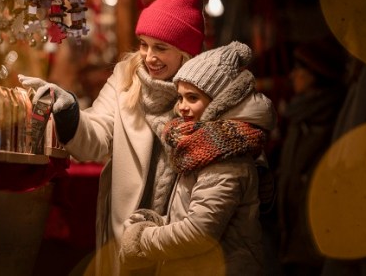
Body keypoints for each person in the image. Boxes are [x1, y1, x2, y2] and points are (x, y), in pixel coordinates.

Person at [18, 0, 272, 275]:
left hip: (181, 239)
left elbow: (237, 151)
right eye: (143, 44)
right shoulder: (125, 79)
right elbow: (96, 138)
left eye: (160, 48)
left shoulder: (207, 92)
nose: (149, 57)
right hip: (128, 231)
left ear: (185, 51)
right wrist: (70, 112)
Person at [118, 41, 276, 275]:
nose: (182, 107)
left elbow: (199, 234)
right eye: (180, 98)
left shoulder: (225, 157)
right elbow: (194, 214)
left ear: (220, 102)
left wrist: (142, 240)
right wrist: (157, 221)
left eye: (192, 98)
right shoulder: (202, 147)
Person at [276, 36, 348, 276]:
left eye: (299, 69)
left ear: (316, 74)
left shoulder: (330, 122)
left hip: (312, 250)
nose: (292, 75)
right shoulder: (300, 118)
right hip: (292, 242)